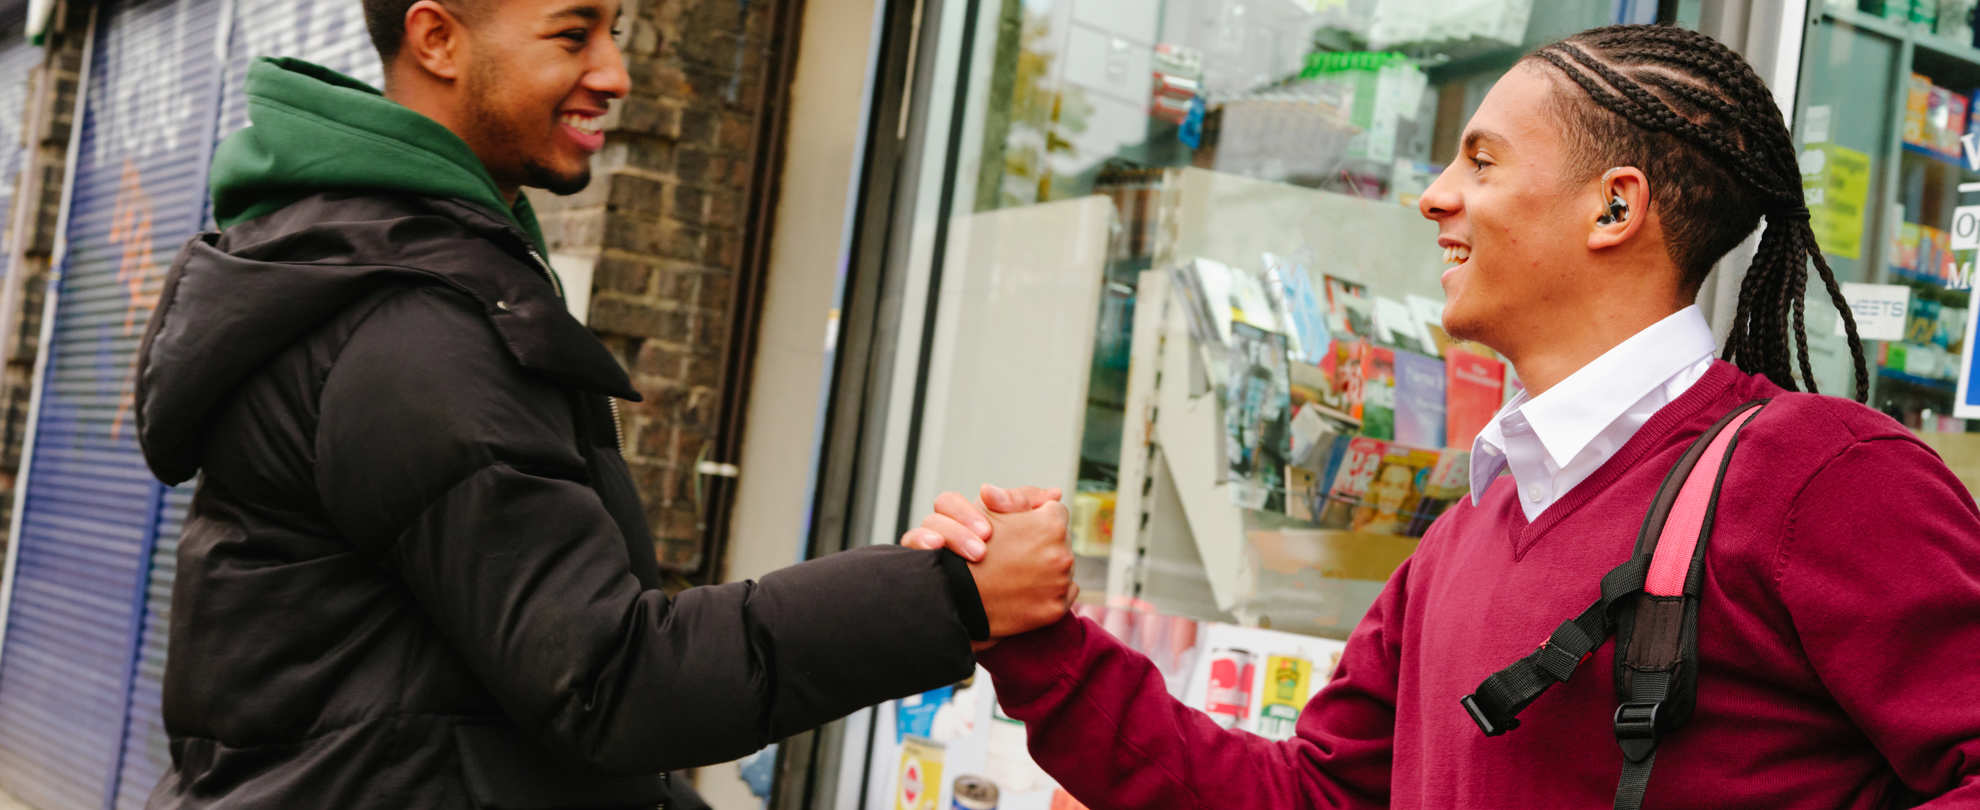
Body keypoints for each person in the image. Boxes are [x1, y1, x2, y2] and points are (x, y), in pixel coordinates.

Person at [908, 24, 1980, 808]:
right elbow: (1306, 799)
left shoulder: (1820, 476)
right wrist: (1037, 643)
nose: (1432, 196)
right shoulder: (1472, 529)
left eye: (1480, 159)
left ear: (1616, 207)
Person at [131, 0, 1075, 806]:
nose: (615, 72)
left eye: (614, 30)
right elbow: (607, 682)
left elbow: (477, 711)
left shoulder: (390, 266)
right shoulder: (411, 325)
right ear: (438, 39)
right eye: (574, 33)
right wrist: (955, 597)